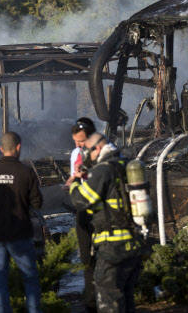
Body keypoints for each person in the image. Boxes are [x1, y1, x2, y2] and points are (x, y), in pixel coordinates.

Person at [69, 133, 141, 313]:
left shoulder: (103, 170)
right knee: (126, 296)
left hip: (112, 246)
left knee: (109, 299)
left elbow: (80, 201)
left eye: (89, 153)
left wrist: (76, 181)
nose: (89, 158)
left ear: (98, 149)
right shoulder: (125, 165)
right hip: (134, 244)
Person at [0, 132, 43, 313]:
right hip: (20, 234)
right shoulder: (26, 172)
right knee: (30, 279)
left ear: (1, 149)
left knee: (0, 280)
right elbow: (38, 204)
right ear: (18, 147)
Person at [65, 117, 97, 313]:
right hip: (84, 209)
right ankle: (91, 302)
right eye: (75, 142)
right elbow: (74, 175)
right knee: (86, 258)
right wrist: (71, 182)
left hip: (102, 210)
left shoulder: (103, 152)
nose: (77, 146)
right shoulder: (76, 153)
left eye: (81, 141)